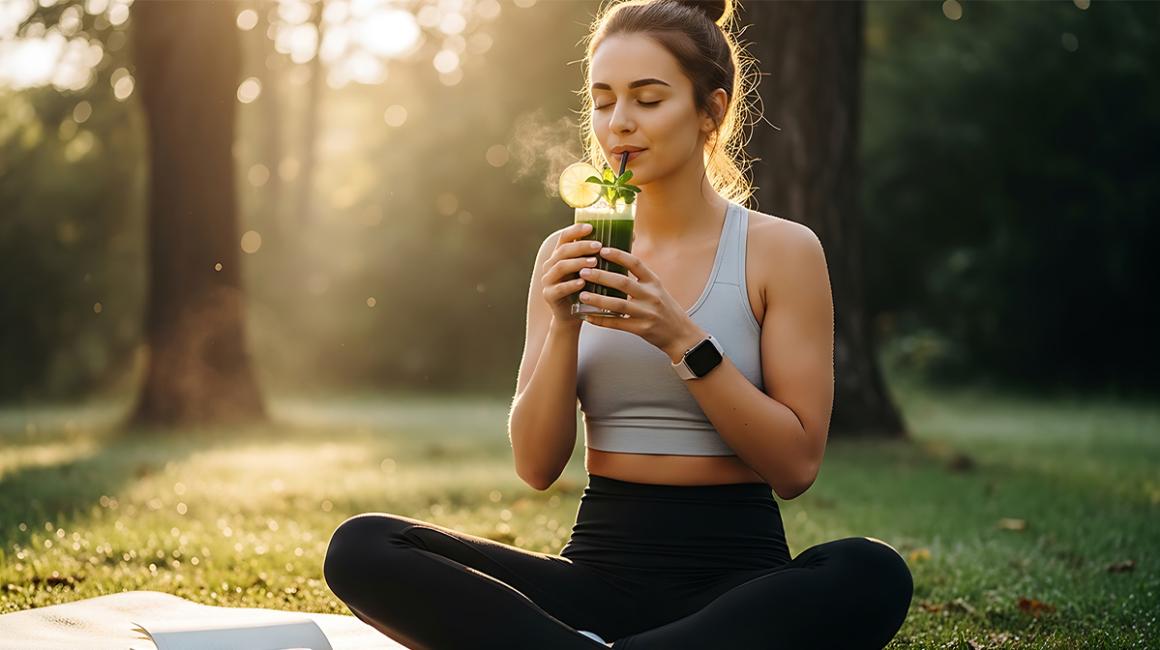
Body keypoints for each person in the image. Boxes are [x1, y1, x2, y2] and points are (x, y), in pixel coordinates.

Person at [322, 1, 914, 648]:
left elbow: (795, 466)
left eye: (648, 99)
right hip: (596, 575)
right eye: (603, 101)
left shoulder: (782, 251)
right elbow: (536, 465)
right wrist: (563, 325)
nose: (619, 123)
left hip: (736, 588)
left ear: (710, 111)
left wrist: (679, 338)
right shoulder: (566, 252)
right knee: (365, 546)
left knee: (871, 571)